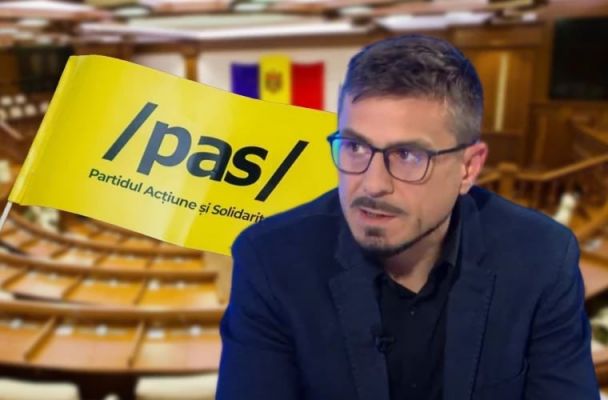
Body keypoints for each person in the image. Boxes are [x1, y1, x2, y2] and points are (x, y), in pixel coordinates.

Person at [216, 34, 599, 400]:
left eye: (408, 155)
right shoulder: (270, 260)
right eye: (355, 147)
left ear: (468, 168)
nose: (372, 184)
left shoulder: (541, 257)